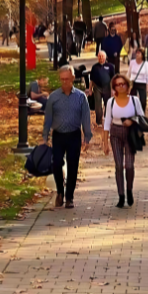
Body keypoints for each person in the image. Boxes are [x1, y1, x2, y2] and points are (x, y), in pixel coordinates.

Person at [42, 66, 93, 210]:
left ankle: (69, 197)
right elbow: (48, 118)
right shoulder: (54, 97)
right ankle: (60, 191)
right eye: (62, 79)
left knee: (73, 165)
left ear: (72, 79)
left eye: (67, 79)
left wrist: (87, 137)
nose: (64, 82)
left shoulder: (80, 97)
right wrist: (45, 136)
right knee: (56, 164)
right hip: (58, 135)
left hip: (74, 135)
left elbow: (86, 117)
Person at [103, 74, 145, 209]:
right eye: (118, 85)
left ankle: (129, 190)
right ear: (114, 87)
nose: (121, 87)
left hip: (130, 134)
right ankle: (121, 195)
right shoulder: (111, 102)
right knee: (119, 165)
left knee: (129, 165)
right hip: (115, 134)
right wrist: (105, 143)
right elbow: (106, 122)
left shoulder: (134, 100)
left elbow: (141, 117)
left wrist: (131, 120)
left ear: (127, 86)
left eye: (123, 84)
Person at [89, 51, 116, 126]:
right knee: (98, 106)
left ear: (105, 57)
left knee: (108, 104)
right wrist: (90, 89)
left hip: (107, 87)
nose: (100, 57)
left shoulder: (110, 66)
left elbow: (113, 79)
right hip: (97, 88)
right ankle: (99, 121)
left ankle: (107, 119)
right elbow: (91, 80)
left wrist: (113, 90)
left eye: (102, 56)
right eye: (99, 56)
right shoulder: (94, 67)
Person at [127, 48, 148, 114]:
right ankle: (132, 113)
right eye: (136, 53)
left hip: (142, 83)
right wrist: (127, 83)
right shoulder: (132, 62)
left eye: (139, 53)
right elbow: (128, 73)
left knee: (143, 101)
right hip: (133, 83)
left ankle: (142, 114)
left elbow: (147, 75)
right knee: (132, 100)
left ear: (142, 55)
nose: (137, 54)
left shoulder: (145, 63)